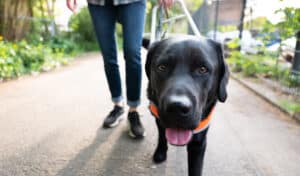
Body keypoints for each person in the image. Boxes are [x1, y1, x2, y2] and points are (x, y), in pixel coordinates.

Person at [66, 0, 174, 139]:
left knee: (132, 52)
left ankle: (133, 110)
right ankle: (118, 105)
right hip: (98, 3)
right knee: (108, 56)